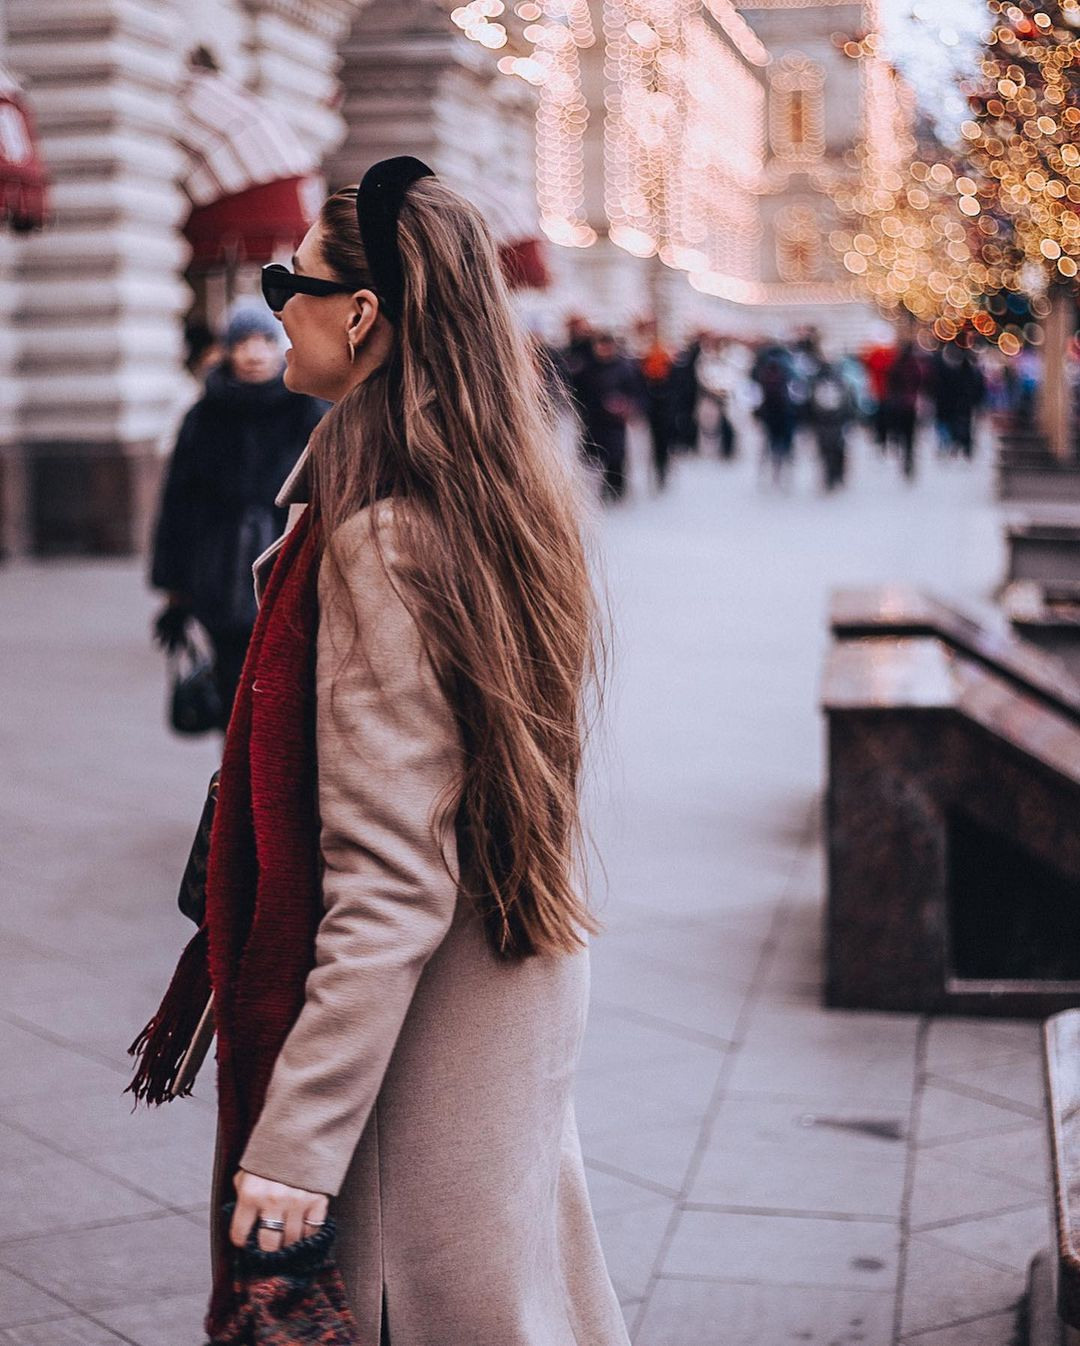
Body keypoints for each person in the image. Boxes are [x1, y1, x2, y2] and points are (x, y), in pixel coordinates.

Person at [131, 157, 629, 1346]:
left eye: (284, 280)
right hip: (502, 984)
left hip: (426, 1046)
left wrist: (295, 1146)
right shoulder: (493, 485)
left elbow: (393, 881)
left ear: (360, 315)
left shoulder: (388, 537)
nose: (271, 302)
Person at [150, 302, 327, 724]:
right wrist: (174, 589)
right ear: (227, 349)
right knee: (234, 693)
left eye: (264, 341)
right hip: (218, 574)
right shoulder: (203, 414)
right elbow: (178, 500)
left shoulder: (306, 409)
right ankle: (235, 779)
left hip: (287, 568)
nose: (254, 353)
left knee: (285, 693)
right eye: (243, 342)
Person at [570, 330, 642, 501]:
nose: (604, 350)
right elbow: (578, 394)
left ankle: (616, 489)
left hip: (615, 423)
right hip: (594, 421)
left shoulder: (624, 368)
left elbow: (636, 392)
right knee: (594, 459)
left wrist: (626, 406)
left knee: (616, 458)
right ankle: (601, 490)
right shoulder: (587, 368)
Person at [930, 335, 985, 458]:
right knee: (958, 425)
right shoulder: (966, 370)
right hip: (956, 403)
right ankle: (958, 446)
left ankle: (953, 445)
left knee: (953, 425)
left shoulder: (943, 367)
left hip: (952, 403)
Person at [751, 340, 797, 485]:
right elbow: (797, 386)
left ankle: (766, 470)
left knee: (769, 440)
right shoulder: (788, 364)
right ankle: (785, 467)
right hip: (785, 409)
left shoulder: (761, 366)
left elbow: (753, 388)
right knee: (785, 440)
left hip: (768, 410)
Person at [637, 321, 675, 489]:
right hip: (651, 400)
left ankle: (661, 469)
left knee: (661, 439)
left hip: (663, 400)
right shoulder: (643, 352)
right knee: (654, 438)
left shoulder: (664, 352)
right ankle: (658, 469)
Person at [809, 361, 855, 491]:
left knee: (825, 450)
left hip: (821, 423)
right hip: (837, 422)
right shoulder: (841, 382)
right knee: (838, 448)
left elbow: (809, 405)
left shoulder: (815, 383)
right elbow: (849, 404)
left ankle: (829, 475)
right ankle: (836, 474)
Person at [882, 339, 924, 480]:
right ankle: (908, 458)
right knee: (910, 436)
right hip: (909, 406)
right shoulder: (914, 366)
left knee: (901, 434)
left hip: (899, 405)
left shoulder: (896, 366)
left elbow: (890, 383)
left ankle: (905, 459)